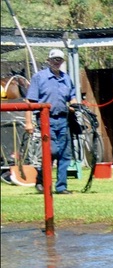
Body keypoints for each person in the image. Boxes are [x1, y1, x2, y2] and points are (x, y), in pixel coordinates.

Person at [24, 48, 79, 195]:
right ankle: (41, 181)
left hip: (64, 120)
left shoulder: (66, 78)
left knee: (65, 155)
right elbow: (29, 101)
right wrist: (28, 122)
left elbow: (72, 97)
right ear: (48, 61)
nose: (57, 62)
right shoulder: (39, 77)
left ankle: (61, 187)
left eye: (59, 60)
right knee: (52, 151)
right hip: (46, 120)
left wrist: (75, 105)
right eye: (54, 59)